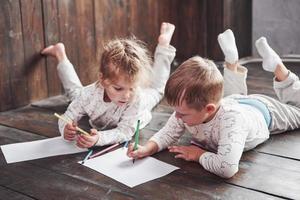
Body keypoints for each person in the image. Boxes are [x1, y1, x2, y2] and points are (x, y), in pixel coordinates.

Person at [127, 29, 300, 178]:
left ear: (208, 109)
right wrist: (147, 148)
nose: (177, 117)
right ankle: (231, 61)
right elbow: (168, 133)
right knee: (232, 97)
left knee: (298, 108)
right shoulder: (188, 109)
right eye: (176, 111)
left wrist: (199, 155)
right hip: (232, 102)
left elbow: (227, 168)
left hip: (262, 112)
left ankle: (278, 68)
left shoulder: (232, 122)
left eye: (182, 114)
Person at [41, 22, 176, 148]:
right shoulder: (88, 95)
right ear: (102, 79)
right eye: (118, 88)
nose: (127, 95)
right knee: (76, 94)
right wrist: (65, 128)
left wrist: (99, 139)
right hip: (92, 97)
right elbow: (66, 117)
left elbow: (125, 131)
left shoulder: (136, 98)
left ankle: (163, 47)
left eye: (132, 88)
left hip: (142, 104)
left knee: (157, 89)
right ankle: (60, 54)